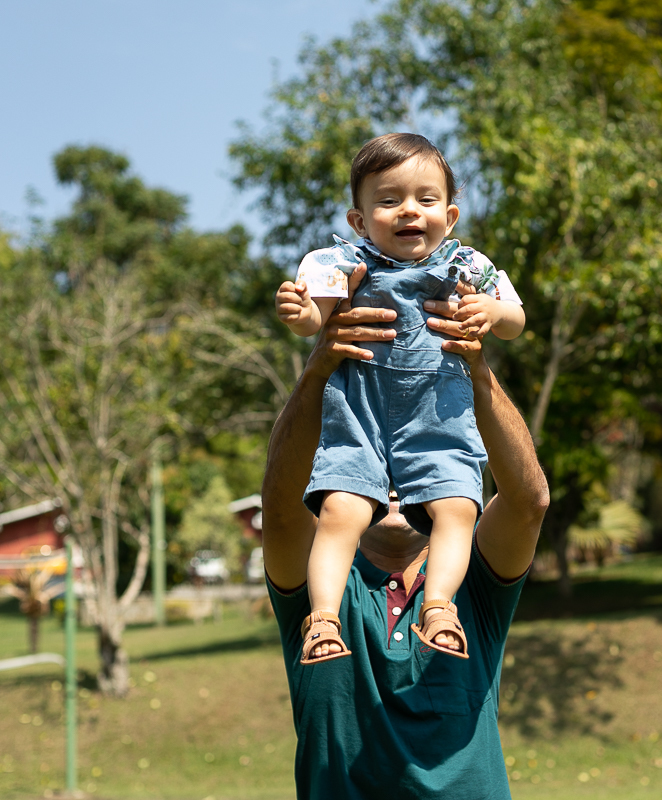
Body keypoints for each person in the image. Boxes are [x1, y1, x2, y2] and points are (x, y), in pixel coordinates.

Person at [260, 264, 549, 799]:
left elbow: (529, 501)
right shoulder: (322, 583)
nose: (395, 470)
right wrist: (320, 368)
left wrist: (475, 370)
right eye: (380, 458)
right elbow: (279, 508)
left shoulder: (474, 588)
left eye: (413, 460)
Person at [276, 133, 526, 664]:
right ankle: (322, 618)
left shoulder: (467, 266)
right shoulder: (342, 262)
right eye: (389, 200)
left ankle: (439, 607)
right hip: (359, 412)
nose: (409, 210)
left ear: (451, 215)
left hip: (439, 413)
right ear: (360, 221)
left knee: (458, 507)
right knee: (341, 510)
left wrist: (490, 313)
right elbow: (313, 319)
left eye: (426, 199)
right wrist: (301, 312)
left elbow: (515, 320)